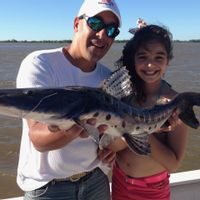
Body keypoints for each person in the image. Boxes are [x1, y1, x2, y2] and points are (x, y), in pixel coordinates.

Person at [16, 0, 121, 199]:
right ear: (76, 24)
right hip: (49, 188)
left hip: (96, 181)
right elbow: (39, 140)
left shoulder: (108, 79)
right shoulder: (40, 64)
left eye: (111, 30)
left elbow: (109, 133)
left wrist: (109, 150)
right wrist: (77, 127)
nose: (102, 35)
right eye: (96, 24)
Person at [109, 21, 188, 200]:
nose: (150, 65)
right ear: (133, 59)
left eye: (158, 57)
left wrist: (143, 130)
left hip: (153, 190)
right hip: (119, 182)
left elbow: (173, 164)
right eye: (142, 57)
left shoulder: (174, 103)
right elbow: (111, 146)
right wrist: (147, 127)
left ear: (168, 61)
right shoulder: (125, 97)